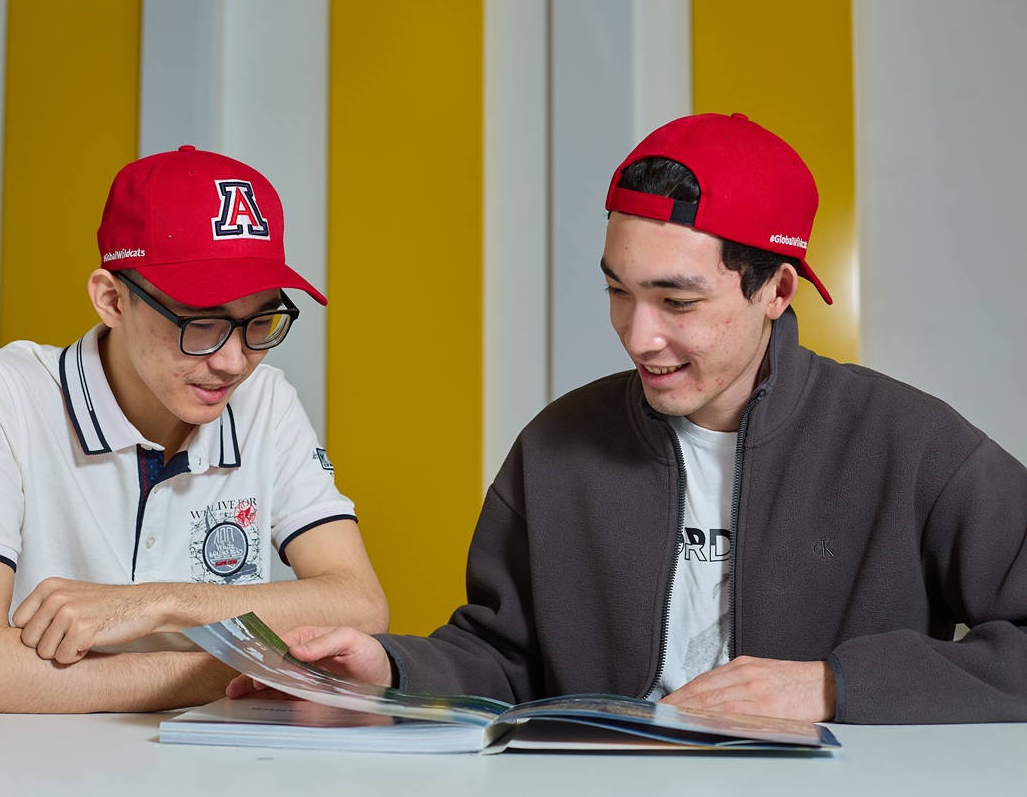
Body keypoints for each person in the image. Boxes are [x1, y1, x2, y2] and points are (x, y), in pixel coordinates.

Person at [229, 113, 1027, 724]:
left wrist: (830, 687)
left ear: (777, 291)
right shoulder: (556, 447)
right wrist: (389, 672)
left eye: (677, 301)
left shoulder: (911, 445)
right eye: (619, 291)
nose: (638, 336)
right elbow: (504, 659)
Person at [0, 146, 388, 713]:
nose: (233, 363)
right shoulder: (2, 393)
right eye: (202, 323)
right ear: (112, 300)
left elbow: (360, 605)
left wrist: (156, 604)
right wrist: (240, 669)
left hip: (205, 750)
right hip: (29, 751)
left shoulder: (267, 399)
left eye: (261, 321)